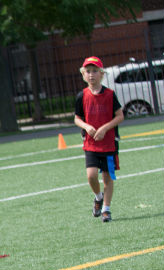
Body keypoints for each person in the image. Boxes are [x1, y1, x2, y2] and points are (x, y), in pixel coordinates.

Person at [73, 56, 124, 222]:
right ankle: (98, 196)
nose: (91, 75)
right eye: (88, 71)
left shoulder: (110, 95)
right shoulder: (82, 96)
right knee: (91, 176)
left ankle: (106, 210)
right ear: (83, 74)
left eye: (95, 71)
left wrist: (104, 128)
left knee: (108, 178)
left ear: (102, 74)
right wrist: (87, 127)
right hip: (91, 144)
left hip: (108, 144)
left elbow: (119, 116)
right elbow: (77, 118)